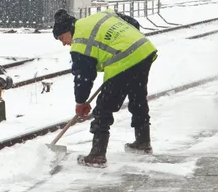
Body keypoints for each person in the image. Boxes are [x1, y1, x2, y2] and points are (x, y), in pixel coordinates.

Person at [52, 9, 158, 168]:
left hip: (124, 60)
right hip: (143, 50)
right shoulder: (100, 16)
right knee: (138, 98)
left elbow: (84, 77)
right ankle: (143, 141)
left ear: (68, 30)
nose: (64, 43)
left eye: (61, 38)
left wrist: (80, 102)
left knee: (103, 108)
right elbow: (133, 23)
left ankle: (97, 155)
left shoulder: (80, 42)